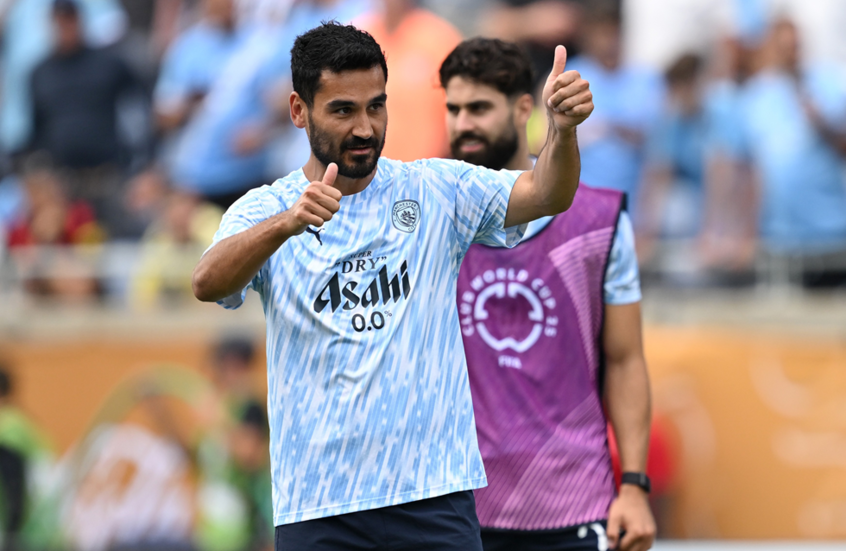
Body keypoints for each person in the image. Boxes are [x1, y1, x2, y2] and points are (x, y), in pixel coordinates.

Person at [192, 21, 593, 551]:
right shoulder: (267, 209)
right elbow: (207, 282)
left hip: (433, 496)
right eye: (343, 110)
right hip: (319, 505)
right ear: (298, 110)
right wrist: (286, 225)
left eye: (375, 106)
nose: (365, 127)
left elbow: (547, 194)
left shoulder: (436, 189)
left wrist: (563, 131)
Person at [441, 37, 655, 551]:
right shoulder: (431, 217)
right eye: (453, 109)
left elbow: (625, 360)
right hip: (459, 505)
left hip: (574, 501)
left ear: (523, 110)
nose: (462, 124)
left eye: (478, 108)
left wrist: (634, 486)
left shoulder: (598, 221)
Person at [28, 0, 145, 234]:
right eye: (60, 21)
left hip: (108, 177)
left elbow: (138, 110)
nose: (66, 27)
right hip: (63, 183)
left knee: (118, 240)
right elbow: (37, 131)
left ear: (80, 21)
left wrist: (140, 164)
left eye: (70, 19)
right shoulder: (40, 73)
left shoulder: (108, 64)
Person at [565, 1, 663, 215]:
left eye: (613, 33)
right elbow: (546, 143)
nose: (608, 42)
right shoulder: (569, 77)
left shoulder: (647, 79)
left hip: (633, 208)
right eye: (601, 34)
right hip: (579, 208)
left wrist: (612, 129)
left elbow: (660, 151)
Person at [356, 0, 462, 161]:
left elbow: (459, 107)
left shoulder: (440, 38)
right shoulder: (360, 34)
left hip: (428, 167)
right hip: (368, 167)